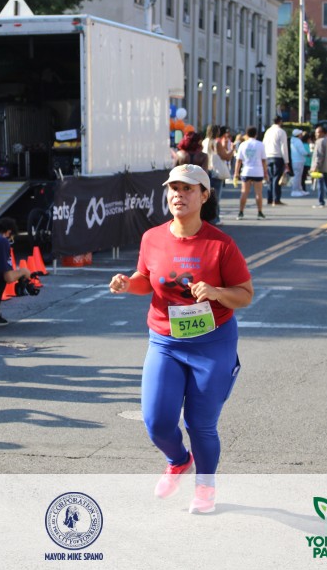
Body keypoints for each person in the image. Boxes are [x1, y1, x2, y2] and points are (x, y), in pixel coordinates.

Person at [108, 163, 253, 514]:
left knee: (200, 424)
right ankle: (178, 460)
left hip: (212, 343)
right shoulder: (152, 238)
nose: (179, 194)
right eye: (174, 188)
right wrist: (128, 284)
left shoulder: (221, 245)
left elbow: (245, 294)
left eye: (188, 188)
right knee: (157, 422)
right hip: (166, 342)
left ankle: (205, 487)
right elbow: (146, 279)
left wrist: (216, 292)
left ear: (204, 196)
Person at [233, 126, 268, 220]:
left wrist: (236, 172)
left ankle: (241, 212)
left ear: (247, 134)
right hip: (258, 171)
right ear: (256, 134)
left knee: (244, 192)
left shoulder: (243, 144)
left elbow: (238, 161)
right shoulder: (260, 144)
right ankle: (260, 212)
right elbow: (263, 160)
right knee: (258, 193)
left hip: (246, 170)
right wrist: (266, 173)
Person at [201, 125, 232, 225]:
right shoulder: (216, 143)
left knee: (206, 196)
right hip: (216, 172)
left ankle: (206, 218)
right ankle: (215, 219)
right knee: (216, 197)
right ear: (216, 132)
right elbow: (226, 157)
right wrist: (232, 149)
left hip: (206, 171)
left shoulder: (204, 142)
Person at [262, 116, 289, 205]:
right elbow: (284, 147)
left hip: (268, 156)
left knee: (270, 178)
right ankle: (276, 199)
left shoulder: (268, 131)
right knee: (276, 178)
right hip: (278, 157)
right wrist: (286, 161)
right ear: (280, 121)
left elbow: (264, 144)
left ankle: (269, 198)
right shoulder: (281, 132)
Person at [310, 125, 327, 208]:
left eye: (318, 132)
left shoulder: (320, 142)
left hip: (320, 166)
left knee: (320, 184)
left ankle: (321, 201)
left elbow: (319, 155)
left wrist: (315, 166)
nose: (316, 134)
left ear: (323, 133)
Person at [289, 129, 308, 197]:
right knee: (297, 176)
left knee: (298, 176)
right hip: (299, 160)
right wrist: (307, 154)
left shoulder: (293, 141)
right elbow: (302, 151)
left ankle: (299, 189)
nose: (301, 135)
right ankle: (295, 190)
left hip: (295, 160)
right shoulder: (298, 141)